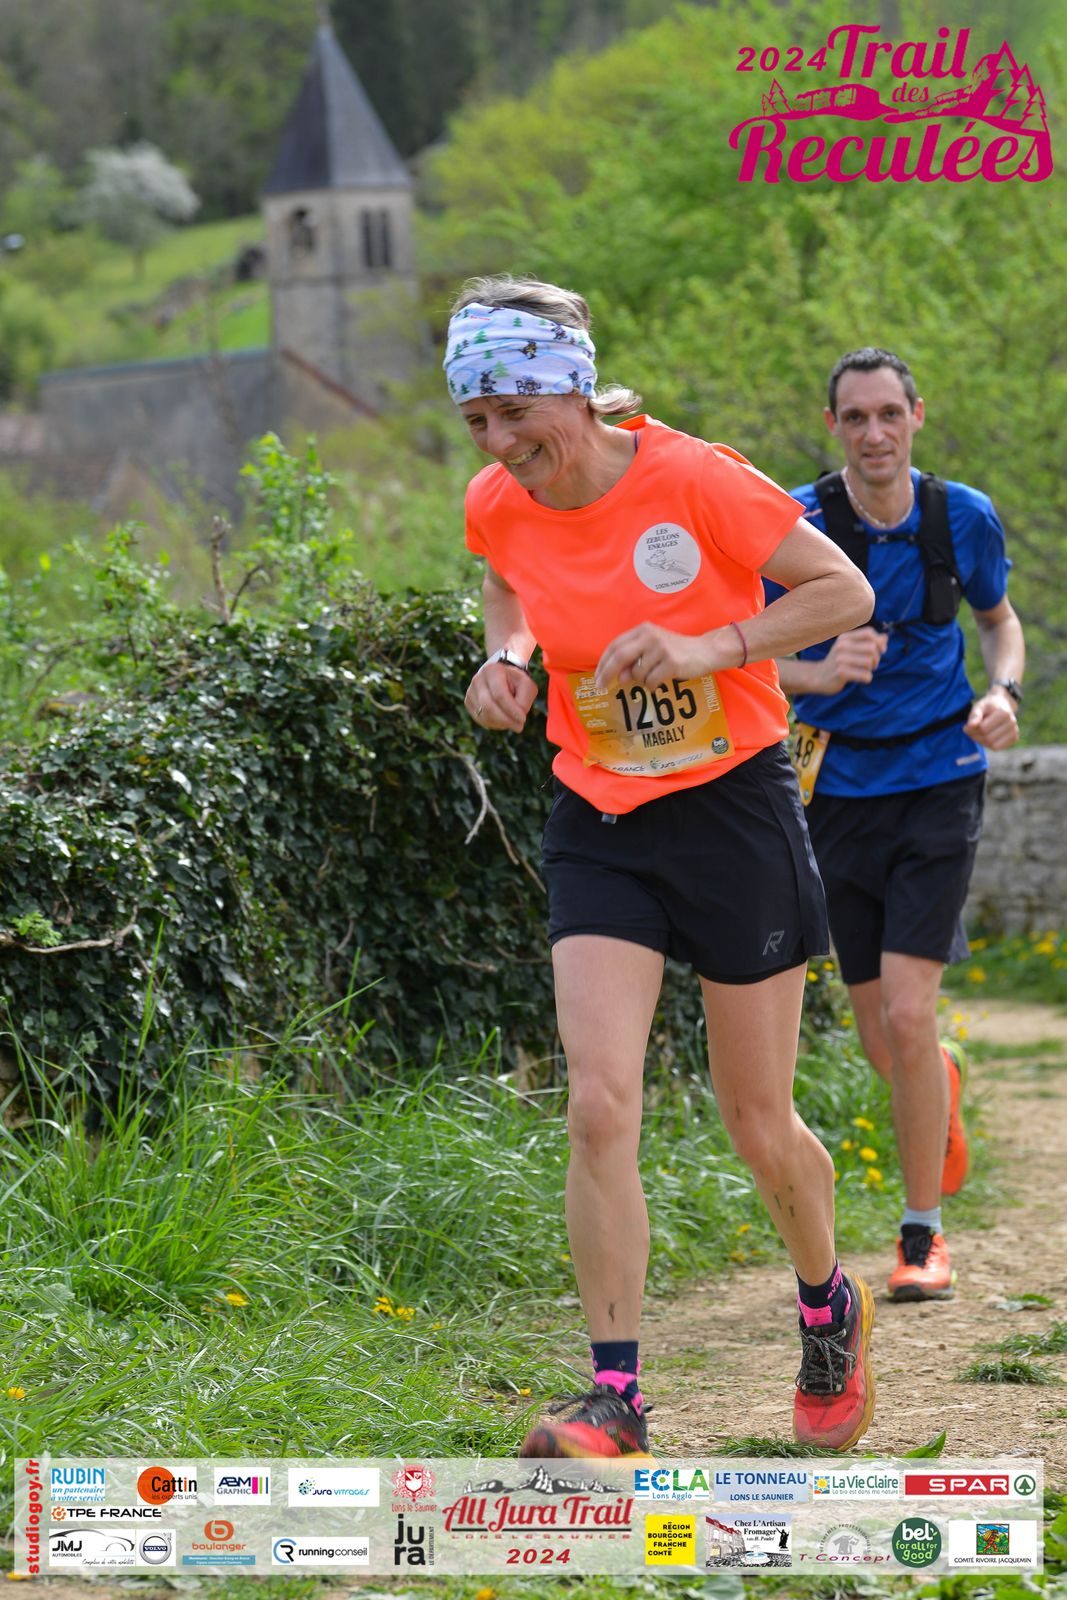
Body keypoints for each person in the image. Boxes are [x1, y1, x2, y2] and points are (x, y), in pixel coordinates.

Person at [443, 274, 877, 1457]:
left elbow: (841, 589)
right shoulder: (497, 500)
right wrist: (507, 657)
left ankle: (825, 1303)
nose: (496, 443)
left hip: (731, 808)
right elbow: (505, 578)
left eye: (513, 412)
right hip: (599, 813)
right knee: (597, 1102)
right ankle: (614, 1398)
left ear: (572, 390)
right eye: (475, 419)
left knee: (756, 1120)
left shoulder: (692, 479)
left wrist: (711, 643)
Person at [768, 347, 1024, 1303]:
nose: (873, 434)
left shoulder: (961, 516)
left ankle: (922, 1235)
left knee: (910, 1016)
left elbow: (998, 622)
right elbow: (736, 654)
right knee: (883, 1037)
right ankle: (933, 1082)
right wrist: (816, 670)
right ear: (832, 426)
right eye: (854, 418)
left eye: (888, 414)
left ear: (916, 415)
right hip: (833, 788)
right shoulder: (793, 524)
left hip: (938, 778)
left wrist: (1002, 693)